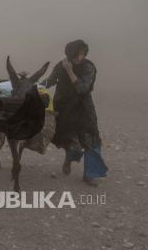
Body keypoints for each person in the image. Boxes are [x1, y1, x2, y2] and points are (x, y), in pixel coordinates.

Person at [42, 39, 108, 186]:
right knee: (68, 138)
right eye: (77, 54)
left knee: (91, 138)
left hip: (84, 108)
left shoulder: (88, 67)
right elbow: (50, 81)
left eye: (83, 54)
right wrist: (33, 86)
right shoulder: (61, 65)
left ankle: (90, 174)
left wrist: (70, 70)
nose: (80, 57)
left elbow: (82, 88)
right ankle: (70, 158)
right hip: (64, 107)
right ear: (70, 54)